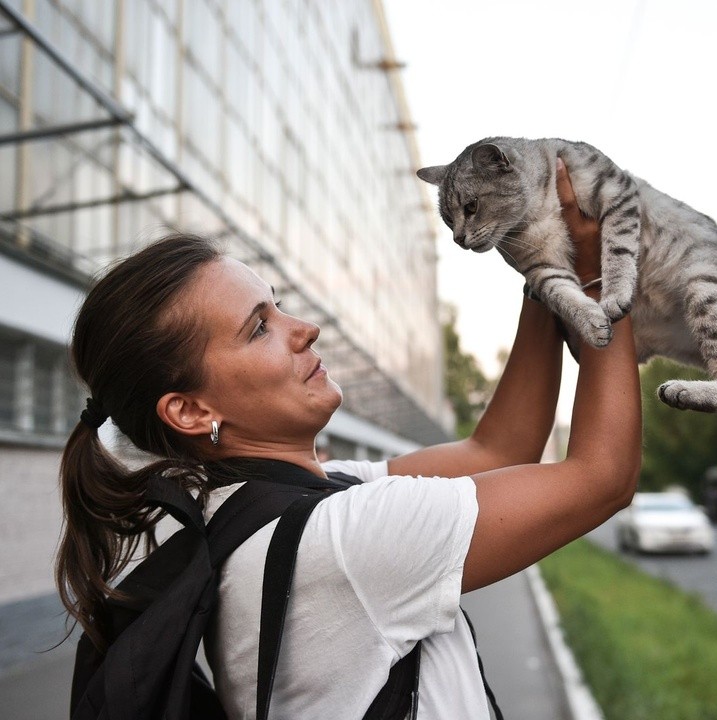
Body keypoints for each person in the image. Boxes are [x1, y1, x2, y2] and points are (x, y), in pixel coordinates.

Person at [56, 160, 643, 718]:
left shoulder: (278, 509)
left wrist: (546, 260)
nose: (305, 330)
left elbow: (497, 453)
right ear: (189, 410)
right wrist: (598, 274)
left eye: (278, 307)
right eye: (259, 327)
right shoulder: (339, 541)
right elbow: (602, 476)